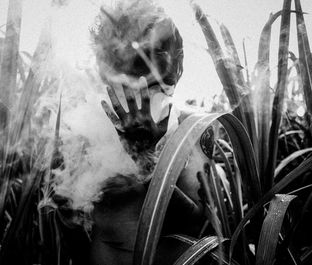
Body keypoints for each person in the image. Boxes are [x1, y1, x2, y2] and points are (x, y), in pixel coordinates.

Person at [87, 1, 213, 264]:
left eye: (158, 48)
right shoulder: (85, 127)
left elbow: (199, 224)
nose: (144, 58)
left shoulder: (193, 127)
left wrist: (147, 161)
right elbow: (69, 220)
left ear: (176, 62)